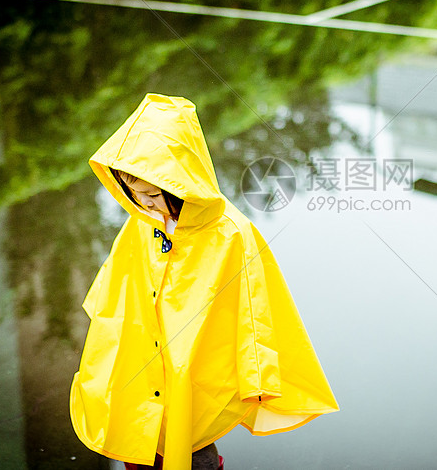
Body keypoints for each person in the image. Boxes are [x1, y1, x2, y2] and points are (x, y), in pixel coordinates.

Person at [70, 94, 339, 470]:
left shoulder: (231, 234)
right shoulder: (142, 222)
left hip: (196, 364)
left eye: (151, 195)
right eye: (134, 195)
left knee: (190, 441)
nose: (144, 205)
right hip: (145, 356)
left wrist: (258, 373)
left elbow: (253, 306)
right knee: (139, 440)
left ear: (179, 184)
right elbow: (116, 284)